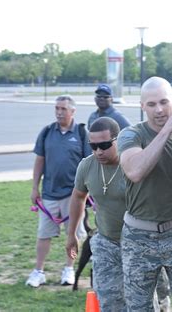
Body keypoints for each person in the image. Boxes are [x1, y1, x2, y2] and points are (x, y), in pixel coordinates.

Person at [118, 76, 172, 311]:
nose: (159, 110)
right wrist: (167, 130)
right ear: (142, 106)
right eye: (151, 104)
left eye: (164, 102)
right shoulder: (130, 135)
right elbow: (135, 171)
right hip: (139, 237)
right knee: (139, 307)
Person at [27, 94, 91, 288]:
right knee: (43, 234)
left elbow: (89, 163)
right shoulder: (47, 132)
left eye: (63, 109)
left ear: (73, 111)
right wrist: (34, 187)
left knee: (74, 235)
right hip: (49, 195)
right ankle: (39, 271)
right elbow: (40, 160)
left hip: (74, 196)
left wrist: (89, 191)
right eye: (57, 108)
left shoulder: (81, 134)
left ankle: (69, 269)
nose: (59, 112)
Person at [66, 117, 126, 310]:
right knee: (107, 299)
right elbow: (77, 197)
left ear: (118, 140)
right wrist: (71, 234)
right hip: (106, 241)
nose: (98, 151)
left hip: (138, 241)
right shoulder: (87, 165)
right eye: (93, 146)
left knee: (148, 300)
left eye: (105, 145)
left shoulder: (132, 162)